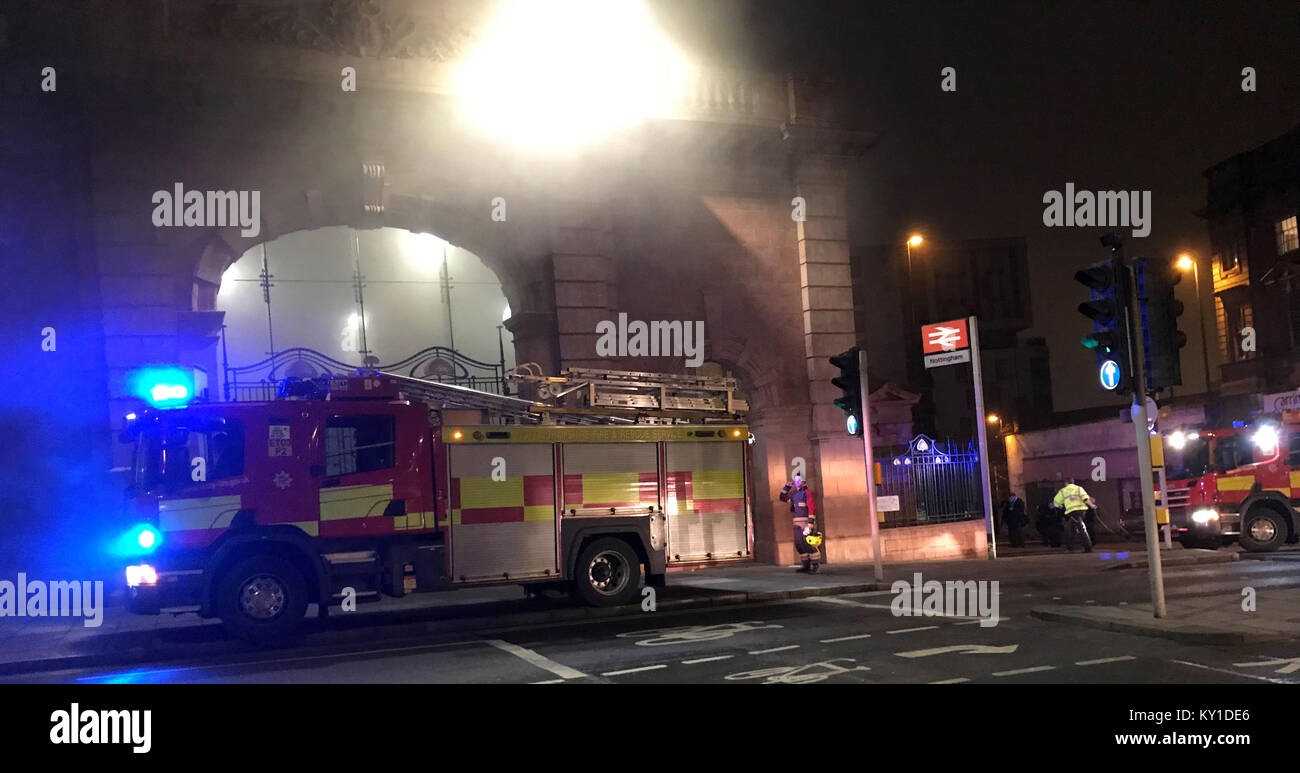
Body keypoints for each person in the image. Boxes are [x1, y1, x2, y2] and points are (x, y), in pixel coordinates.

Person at [779, 474, 821, 573]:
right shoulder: (794, 494)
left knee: (809, 544)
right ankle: (805, 565)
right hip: (797, 523)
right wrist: (787, 486)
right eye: (796, 481)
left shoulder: (807, 493)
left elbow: (812, 508)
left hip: (806, 523)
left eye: (799, 480)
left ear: (804, 482)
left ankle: (815, 566)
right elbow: (782, 497)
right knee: (799, 544)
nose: (797, 482)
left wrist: (810, 524)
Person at [1052, 478, 1096, 552]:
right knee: (1073, 529)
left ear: (1066, 483)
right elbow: (1086, 499)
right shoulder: (1079, 489)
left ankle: (1088, 547)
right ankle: (1070, 547)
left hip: (1072, 512)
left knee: (1080, 528)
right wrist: (1092, 505)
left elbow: (1055, 502)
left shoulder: (1063, 491)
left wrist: (1060, 506)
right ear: (1073, 482)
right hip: (1082, 511)